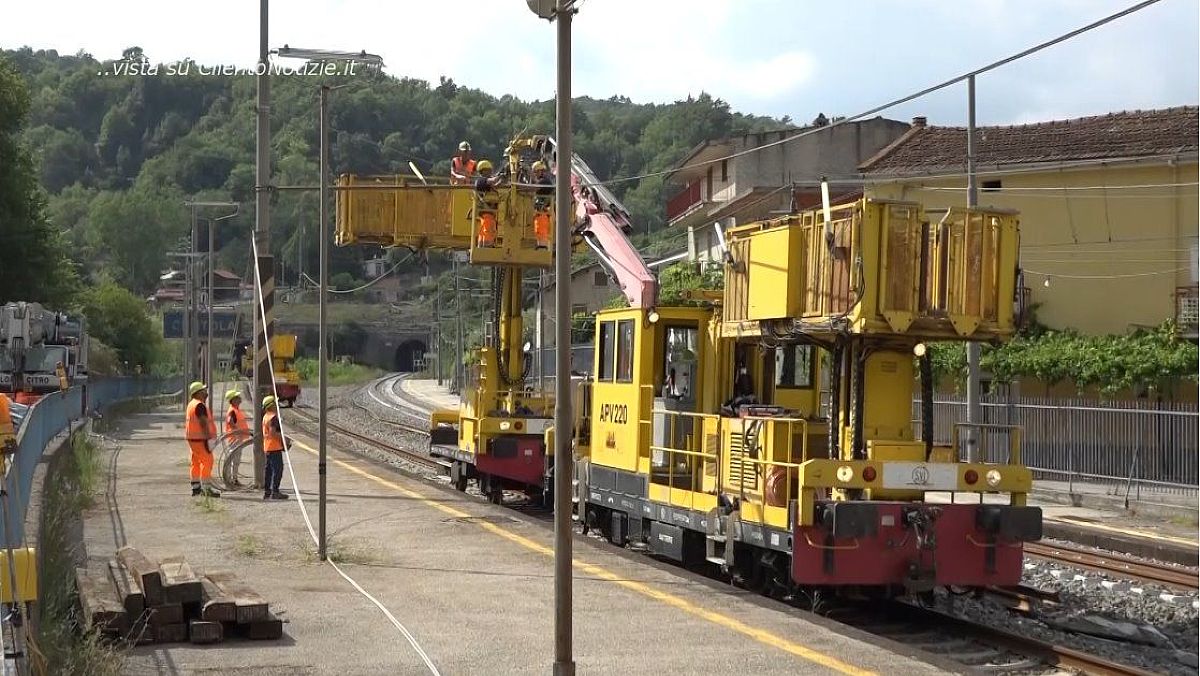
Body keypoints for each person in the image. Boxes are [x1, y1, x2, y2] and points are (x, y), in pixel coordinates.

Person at [184, 382, 220, 497]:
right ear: (198, 393)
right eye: (203, 391)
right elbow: (203, 422)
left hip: (192, 438)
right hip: (201, 438)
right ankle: (206, 488)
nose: (206, 393)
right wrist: (208, 437)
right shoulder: (199, 405)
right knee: (207, 461)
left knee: (195, 462)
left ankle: (196, 487)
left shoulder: (191, 404)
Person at [261, 395, 288, 501]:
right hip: (274, 447)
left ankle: (267, 492)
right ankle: (275, 492)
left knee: (268, 470)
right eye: (275, 403)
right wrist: (284, 438)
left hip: (267, 447)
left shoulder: (266, 416)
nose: (277, 405)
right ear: (271, 405)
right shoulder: (273, 417)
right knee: (277, 470)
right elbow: (273, 433)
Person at [474, 159, 501, 247]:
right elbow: (493, 181)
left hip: (488, 211)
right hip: (487, 211)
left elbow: (495, 184)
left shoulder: (484, 182)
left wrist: (501, 179)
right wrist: (500, 175)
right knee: (488, 230)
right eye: (489, 170)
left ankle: (483, 246)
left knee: (485, 230)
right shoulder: (481, 180)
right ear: (483, 171)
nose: (490, 172)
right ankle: (487, 246)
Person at [531, 160, 553, 249]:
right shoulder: (543, 181)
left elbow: (533, 188)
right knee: (539, 229)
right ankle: (541, 246)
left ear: (540, 171)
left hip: (543, 211)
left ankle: (542, 247)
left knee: (541, 229)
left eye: (535, 172)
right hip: (541, 211)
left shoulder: (544, 181)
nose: (535, 174)